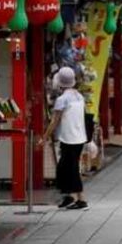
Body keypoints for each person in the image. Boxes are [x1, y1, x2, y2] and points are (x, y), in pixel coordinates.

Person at [39, 67, 89, 210]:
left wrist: (44, 137)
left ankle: (81, 200)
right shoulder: (79, 97)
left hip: (69, 138)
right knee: (64, 168)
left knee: (71, 169)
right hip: (79, 137)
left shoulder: (62, 100)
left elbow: (54, 121)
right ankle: (68, 197)